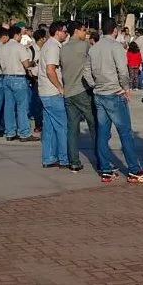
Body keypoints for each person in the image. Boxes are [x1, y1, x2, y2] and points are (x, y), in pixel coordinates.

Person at [84, 19, 143, 183]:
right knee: (125, 133)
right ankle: (133, 169)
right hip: (114, 93)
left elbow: (86, 72)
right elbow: (122, 70)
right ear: (114, 31)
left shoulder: (94, 48)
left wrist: (95, 85)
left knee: (103, 133)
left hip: (99, 94)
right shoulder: (116, 47)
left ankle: (105, 169)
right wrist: (125, 88)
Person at [60, 21, 96, 173]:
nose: (85, 33)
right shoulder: (84, 46)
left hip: (68, 91)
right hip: (82, 90)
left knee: (72, 128)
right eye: (83, 30)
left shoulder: (63, 48)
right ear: (76, 31)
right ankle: (101, 159)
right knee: (95, 125)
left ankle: (74, 161)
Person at [0, 26, 40, 142]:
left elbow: (1, 65)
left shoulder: (2, 48)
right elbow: (26, 64)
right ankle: (24, 133)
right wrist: (33, 63)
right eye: (21, 35)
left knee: (9, 106)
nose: (21, 37)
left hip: (6, 77)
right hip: (18, 78)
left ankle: (10, 132)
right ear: (16, 35)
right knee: (22, 107)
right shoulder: (19, 47)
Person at [39, 21, 69, 168]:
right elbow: (50, 70)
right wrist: (60, 87)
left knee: (50, 127)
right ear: (57, 32)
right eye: (65, 31)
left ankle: (49, 157)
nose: (66, 34)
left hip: (45, 92)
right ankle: (64, 158)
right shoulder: (52, 47)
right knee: (62, 126)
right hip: (52, 92)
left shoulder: (48, 45)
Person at [27, 29, 47, 133]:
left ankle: (45, 123)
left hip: (46, 79)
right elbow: (27, 65)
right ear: (41, 39)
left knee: (45, 103)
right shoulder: (31, 50)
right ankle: (38, 124)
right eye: (45, 37)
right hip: (35, 80)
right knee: (37, 103)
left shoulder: (46, 49)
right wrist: (32, 76)